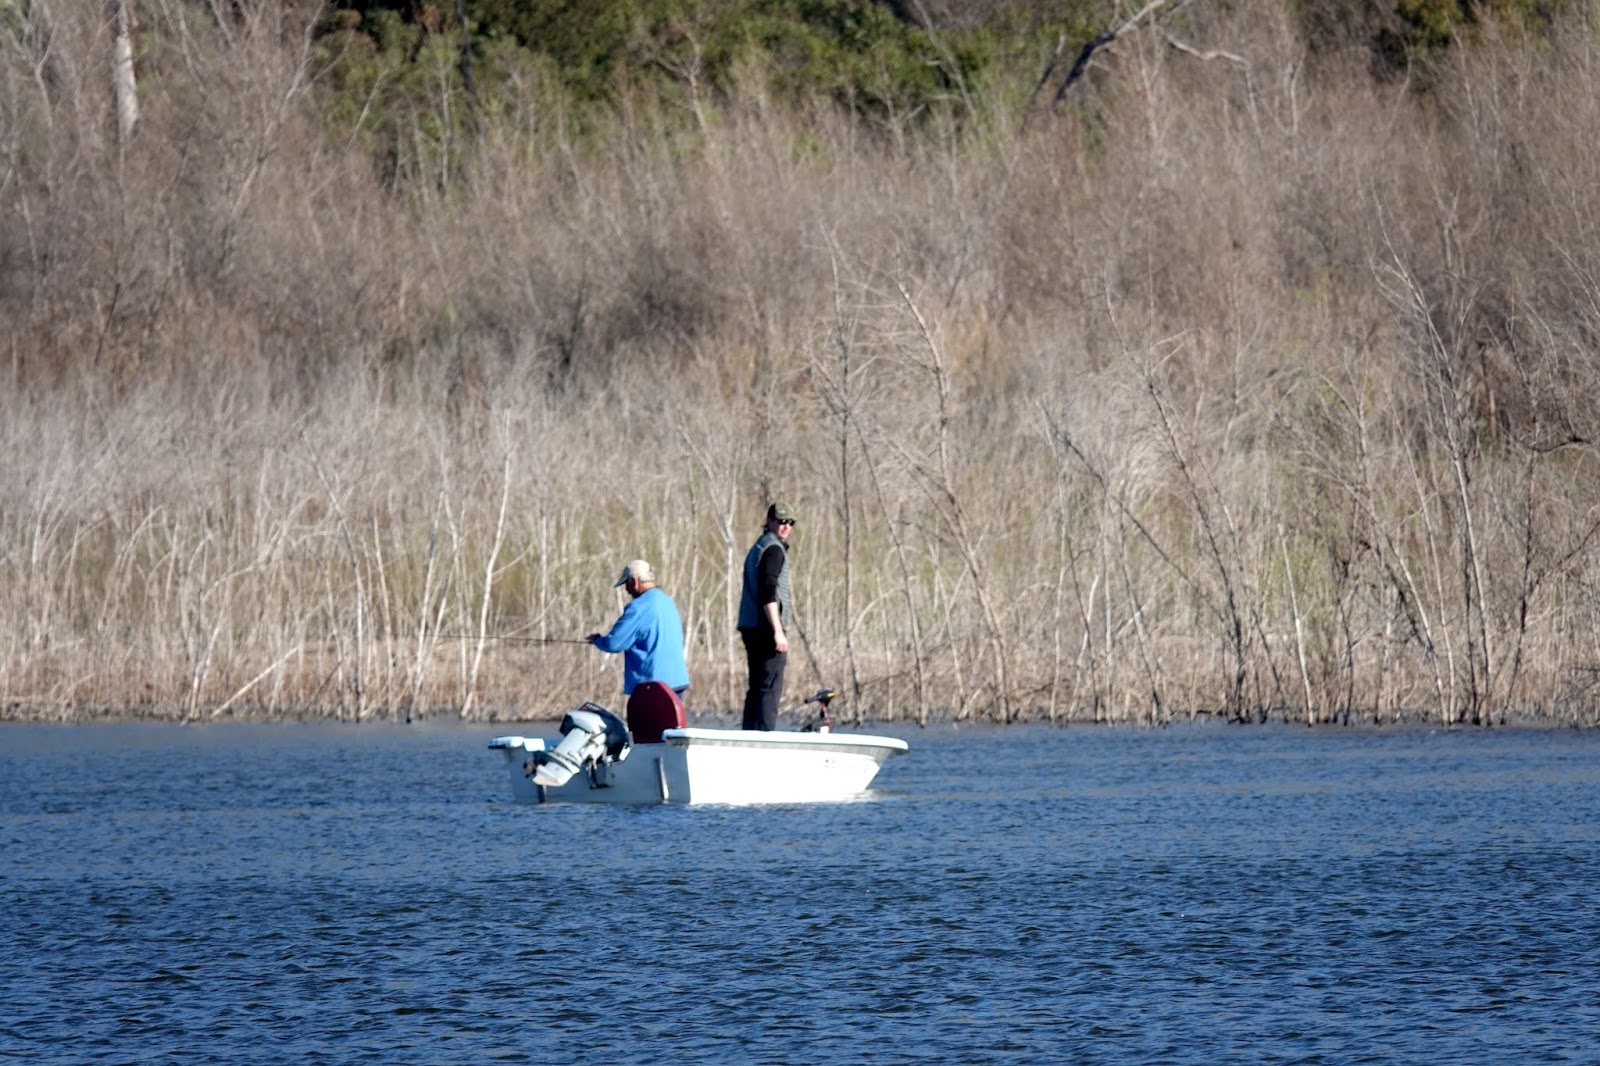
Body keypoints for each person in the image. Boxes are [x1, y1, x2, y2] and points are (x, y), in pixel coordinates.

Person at [586, 559, 690, 701]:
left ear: (634, 582)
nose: (627, 590)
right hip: (677, 683)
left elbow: (614, 643)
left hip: (653, 687)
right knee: (672, 723)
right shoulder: (667, 602)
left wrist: (598, 640)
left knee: (648, 724)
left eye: (626, 585)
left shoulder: (638, 607)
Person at [738, 502, 796, 730]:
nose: (786, 526)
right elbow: (768, 591)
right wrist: (778, 631)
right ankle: (763, 736)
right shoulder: (773, 549)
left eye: (790, 522)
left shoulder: (759, 546)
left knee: (757, 687)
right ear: (770, 521)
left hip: (751, 626)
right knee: (770, 688)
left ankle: (749, 734)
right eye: (781, 521)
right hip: (765, 629)